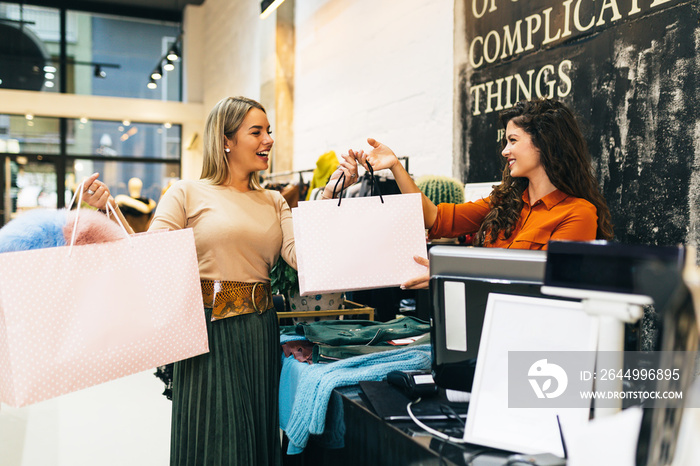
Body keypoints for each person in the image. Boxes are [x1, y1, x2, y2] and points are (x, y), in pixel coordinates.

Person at [80, 96, 359, 465]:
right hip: (209, 333)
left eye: (269, 131)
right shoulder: (187, 193)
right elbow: (148, 257)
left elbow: (304, 256)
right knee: (217, 439)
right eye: (256, 132)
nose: (269, 140)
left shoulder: (274, 201)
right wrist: (105, 212)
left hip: (259, 332)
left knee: (253, 439)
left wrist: (330, 195)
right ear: (226, 140)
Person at [350, 98, 613, 290]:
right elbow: (435, 218)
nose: (504, 151)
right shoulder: (504, 202)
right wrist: (396, 166)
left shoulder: (578, 214)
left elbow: (544, 286)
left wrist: (450, 274)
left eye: (513, 140)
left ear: (544, 142)